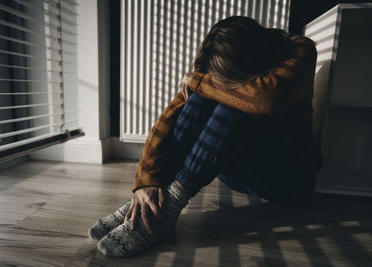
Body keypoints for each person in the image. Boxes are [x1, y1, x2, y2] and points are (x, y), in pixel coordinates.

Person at [88, 16, 324, 257]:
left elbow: (266, 100)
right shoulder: (213, 69)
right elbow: (169, 117)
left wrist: (199, 81)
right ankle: (150, 203)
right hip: (236, 174)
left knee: (237, 105)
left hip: (287, 177)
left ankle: (167, 209)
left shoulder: (299, 49)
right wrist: (147, 180)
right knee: (199, 98)